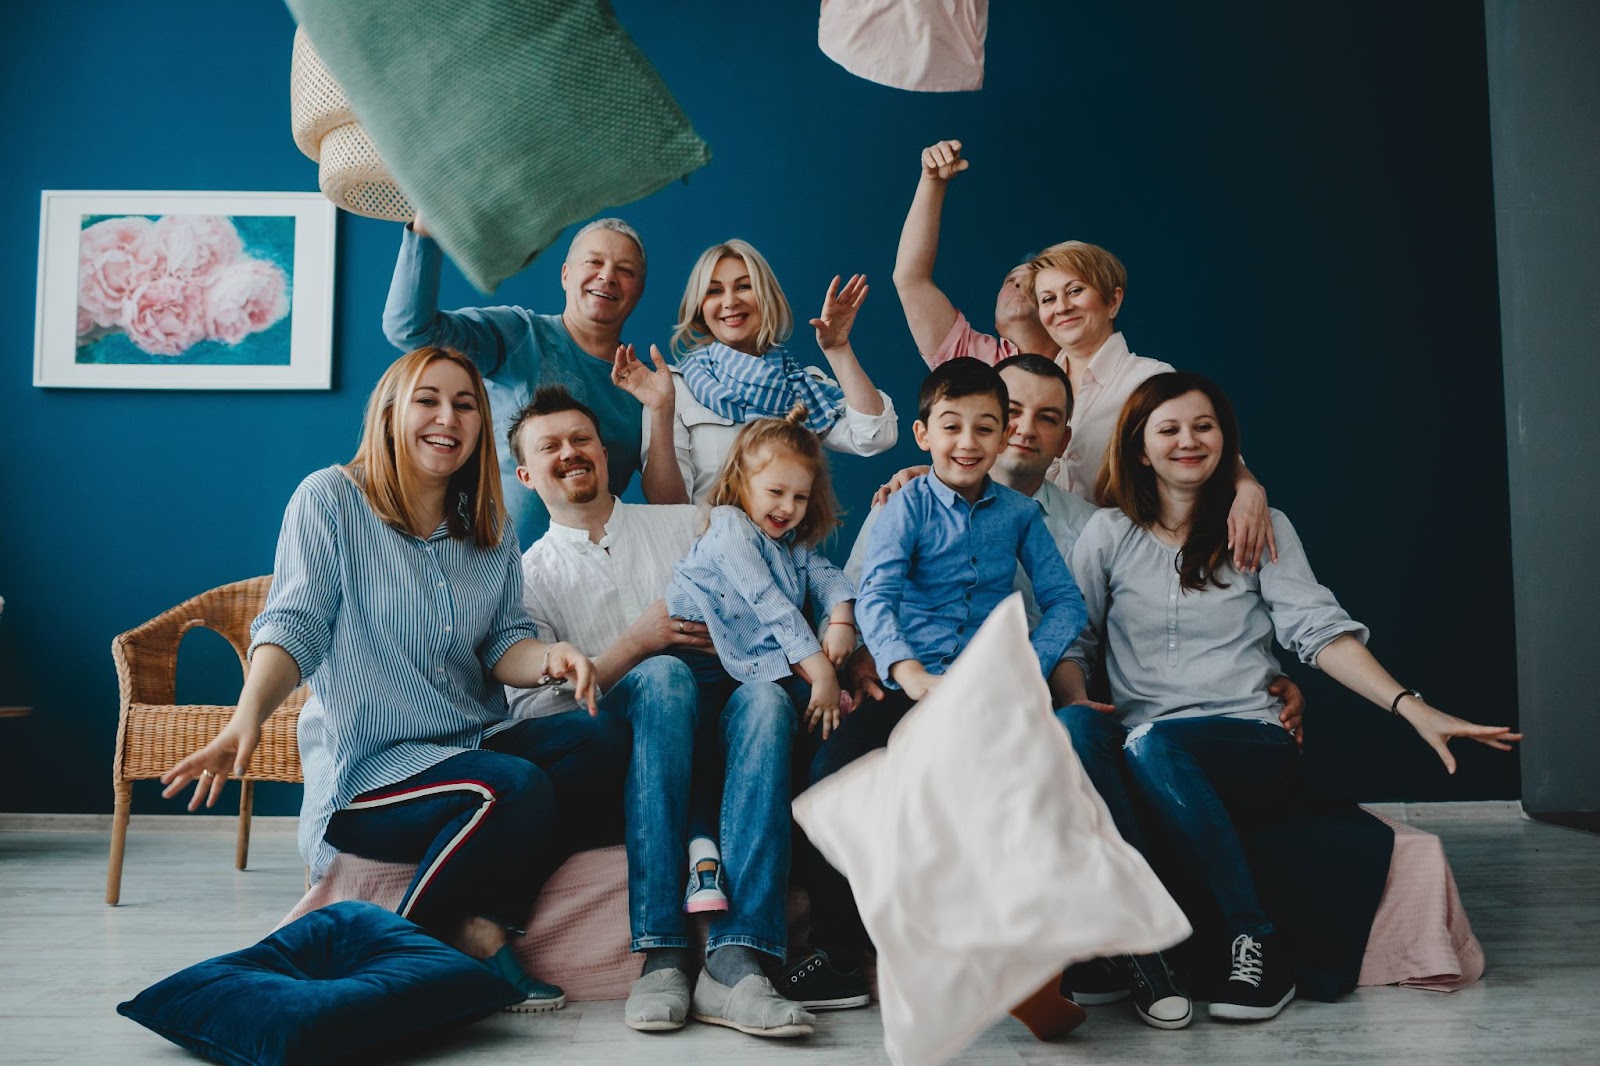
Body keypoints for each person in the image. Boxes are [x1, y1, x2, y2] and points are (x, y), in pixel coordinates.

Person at [160, 347, 630, 1013]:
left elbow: (503, 644)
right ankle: (388, 960)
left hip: (470, 748)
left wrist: (551, 657)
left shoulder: (489, 526)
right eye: (428, 400)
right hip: (373, 777)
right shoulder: (329, 499)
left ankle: (483, 922)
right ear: (390, 413)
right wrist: (247, 718)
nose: (448, 417)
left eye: (465, 404)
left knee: (604, 740)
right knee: (515, 788)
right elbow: (295, 623)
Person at [1053, 371, 1522, 1025]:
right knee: (1075, 734)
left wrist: (1412, 706)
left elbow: (1318, 631)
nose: (1188, 440)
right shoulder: (1106, 535)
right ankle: (1140, 944)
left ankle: (1257, 943)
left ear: (1226, 441)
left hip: (1246, 738)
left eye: (1204, 426)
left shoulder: (1261, 525)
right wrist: (1077, 701)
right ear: (1139, 448)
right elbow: (1074, 644)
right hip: (1141, 738)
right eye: (1169, 429)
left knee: (1155, 744)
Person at [505, 387, 816, 1038]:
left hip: (724, 712)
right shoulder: (527, 579)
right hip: (616, 749)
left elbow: (789, 568)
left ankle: (738, 960)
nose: (571, 453)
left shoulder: (684, 523)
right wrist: (634, 647)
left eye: (582, 439)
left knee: (763, 699)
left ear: (605, 452)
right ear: (527, 474)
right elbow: (534, 713)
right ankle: (662, 950)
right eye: (550, 446)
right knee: (665, 674)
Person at [779, 359, 1088, 1008]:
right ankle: (839, 953)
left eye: (985, 428)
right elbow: (877, 598)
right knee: (826, 779)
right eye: (951, 427)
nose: (968, 443)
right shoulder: (905, 506)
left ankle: (1026, 963)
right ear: (923, 433)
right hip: (905, 688)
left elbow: (1066, 604)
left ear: (1005, 437)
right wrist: (907, 671)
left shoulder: (1020, 517)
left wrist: (1025, 666)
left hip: (984, 697)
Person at [894, 139, 1276, 571]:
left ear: (1112, 302)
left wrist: (1250, 491)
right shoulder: (1030, 378)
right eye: (1050, 298)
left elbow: (1211, 455)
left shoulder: (1148, 380)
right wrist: (927, 478)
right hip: (1014, 553)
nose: (1062, 307)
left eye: (1076, 292)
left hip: (1120, 566)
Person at [383, 215, 687, 545]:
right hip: (479, 561)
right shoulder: (517, 334)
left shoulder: (643, 384)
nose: (607, 276)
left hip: (587, 576)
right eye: (594, 261)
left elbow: (668, 509)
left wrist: (660, 409)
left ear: (638, 291)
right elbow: (409, 329)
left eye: (625, 270)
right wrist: (426, 231)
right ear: (566, 275)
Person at [645, 239, 898, 502]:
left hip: (789, 542)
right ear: (700, 307)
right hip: (705, 540)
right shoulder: (675, 389)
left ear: (766, 296)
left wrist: (839, 350)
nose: (730, 301)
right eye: (714, 291)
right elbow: (667, 503)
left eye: (744, 286)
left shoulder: (800, 385)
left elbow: (877, 436)